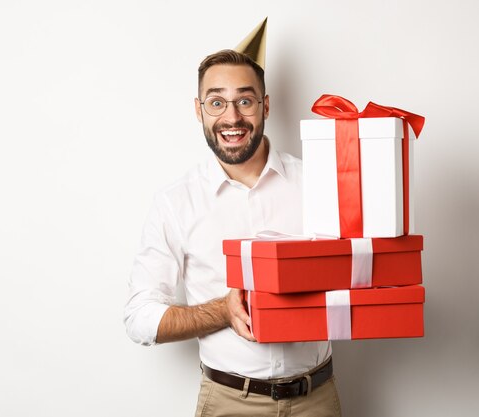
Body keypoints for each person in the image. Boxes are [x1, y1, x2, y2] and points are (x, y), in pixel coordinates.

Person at [124, 20, 342, 417]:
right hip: (228, 403)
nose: (232, 117)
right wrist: (222, 311)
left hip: (317, 399)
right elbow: (140, 319)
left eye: (245, 100)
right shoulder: (176, 202)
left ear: (266, 106)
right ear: (199, 110)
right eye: (216, 102)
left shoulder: (319, 185)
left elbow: (358, 274)